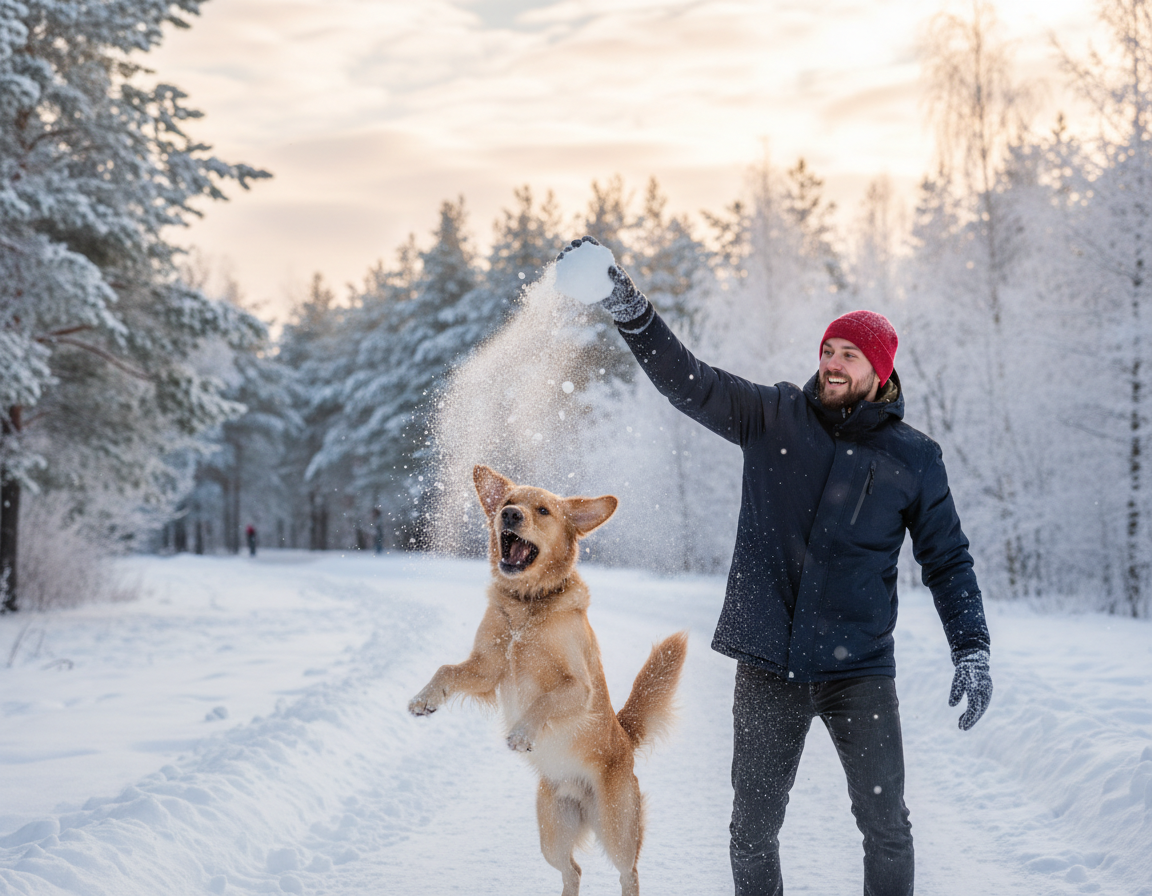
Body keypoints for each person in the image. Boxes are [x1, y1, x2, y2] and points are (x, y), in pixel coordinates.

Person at [556, 237, 992, 896]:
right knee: (752, 830)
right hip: (769, 664)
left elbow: (948, 559)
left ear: (880, 370)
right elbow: (690, 382)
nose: (833, 363)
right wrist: (631, 310)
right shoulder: (774, 416)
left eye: (849, 355)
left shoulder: (914, 457)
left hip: (859, 670)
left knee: (886, 827)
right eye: (828, 350)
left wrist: (972, 646)